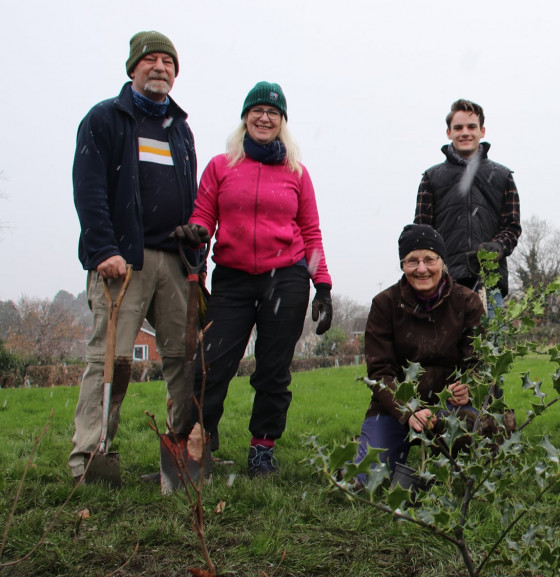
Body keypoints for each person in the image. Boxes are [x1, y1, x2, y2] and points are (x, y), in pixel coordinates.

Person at [175, 81, 333, 477]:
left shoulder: (296, 173)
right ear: (245, 117)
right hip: (234, 279)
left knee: (273, 369)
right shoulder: (221, 166)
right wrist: (196, 231)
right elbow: (203, 214)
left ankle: (262, 447)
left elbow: (311, 233)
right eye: (257, 110)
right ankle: (198, 441)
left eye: (273, 112)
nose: (264, 117)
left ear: (282, 122)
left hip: (287, 278)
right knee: (211, 364)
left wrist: (324, 286)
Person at [69, 31, 198, 482]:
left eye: (168, 61)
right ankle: (92, 454)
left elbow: (190, 197)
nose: (160, 68)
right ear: (133, 68)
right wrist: (104, 248)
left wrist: (194, 242)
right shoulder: (105, 119)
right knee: (113, 360)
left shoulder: (180, 130)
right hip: (123, 261)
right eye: (151, 60)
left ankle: (184, 449)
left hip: (175, 263)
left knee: (184, 358)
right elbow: (89, 189)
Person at [352, 224, 484, 482]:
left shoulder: (467, 302)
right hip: (395, 408)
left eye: (429, 259)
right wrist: (407, 410)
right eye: (412, 261)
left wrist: (470, 386)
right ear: (403, 265)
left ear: (442, 262)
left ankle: (447, 452)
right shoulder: (383, 305)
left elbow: (481, 363)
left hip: (450, 407)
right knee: (367, 478)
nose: (421, 269)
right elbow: (380, 371)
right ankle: (367, 447)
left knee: (472, 470)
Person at [414, 99, 521, 313]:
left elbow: (512, 226)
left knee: (490, 346)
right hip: (443, 283)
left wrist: (497, 247)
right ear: (449, 133)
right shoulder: (431, 178)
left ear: (482, 131)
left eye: (471, 127)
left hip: (489, 283)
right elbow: (422, 232)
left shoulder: (502, 176)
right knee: (443, 347)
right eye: (458, 127)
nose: (465, 132)